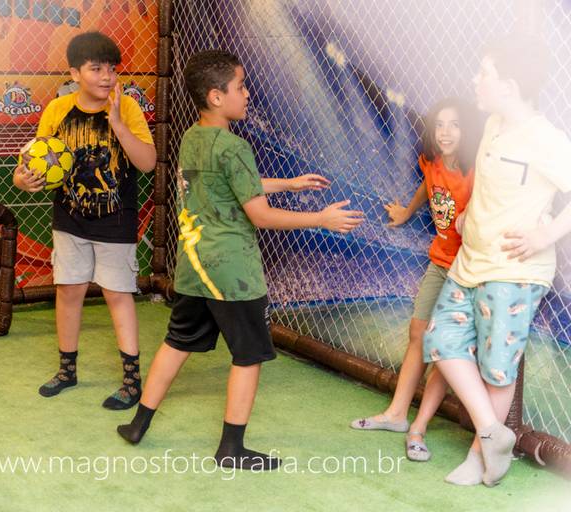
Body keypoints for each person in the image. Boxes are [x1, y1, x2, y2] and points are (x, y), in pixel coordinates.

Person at [116, 49, 365, 470]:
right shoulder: (234, 147)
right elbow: (260, 215)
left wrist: (288, 183)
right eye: (241, 86)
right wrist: (321, 219)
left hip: (194, 269)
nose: (248, 94)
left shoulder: (192, 137)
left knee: (177, 343)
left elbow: (230, 184)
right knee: (248, 356)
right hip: (234, 275)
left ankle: (138, 424)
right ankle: (231, 449)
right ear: (216, 97)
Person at [423, 35, 571, 486]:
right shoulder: (492, 125)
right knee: (440, 339)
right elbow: (491, 186)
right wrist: (470, 215)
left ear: (508, 85)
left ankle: (480, 457)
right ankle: (494, 432)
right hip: (471, 260)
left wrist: (545, 233)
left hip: (514, 270)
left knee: (497, 367)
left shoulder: (545, 138)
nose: (475, 80)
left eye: (484, 73)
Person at [13, 31, 156, 410]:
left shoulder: (128, 107)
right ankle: (67, 370)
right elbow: (31, 162)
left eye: (112, 69)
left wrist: (118, 124)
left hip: (116, 219)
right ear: (75, 73)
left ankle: (132, 381)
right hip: (70, 219)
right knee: (69, 291)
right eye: (96, 69)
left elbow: (147, 164)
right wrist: (23, 180)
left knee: (117, 295)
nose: (106, 77)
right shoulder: (58, 110)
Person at [351, 97, 480, 462]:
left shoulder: (474, 171)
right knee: (417, 332)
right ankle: (396, 414)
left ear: (467, 131)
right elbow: (429, 184)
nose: (445, 133)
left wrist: (471, 218)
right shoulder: (431, 160)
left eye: (454, 125)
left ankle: (419, 426)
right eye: (439, 125)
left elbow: (486, 206)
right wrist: (408, 211)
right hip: (439, 263)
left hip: (466, 269)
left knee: (444, 345)